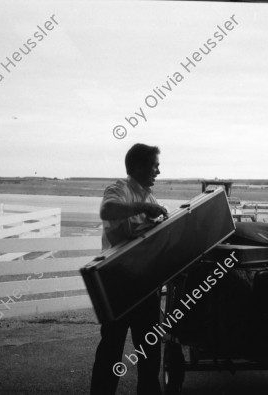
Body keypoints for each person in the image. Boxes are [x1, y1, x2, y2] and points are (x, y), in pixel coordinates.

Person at [90, 143, 168, 395]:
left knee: (150, 350)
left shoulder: (150, 197)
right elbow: (107, 210)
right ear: (137, 166)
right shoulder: (119, 189)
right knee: (112, 349)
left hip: (145, 283)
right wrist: (144, 209)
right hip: (117, 281)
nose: (158, 170)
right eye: (154, 165)